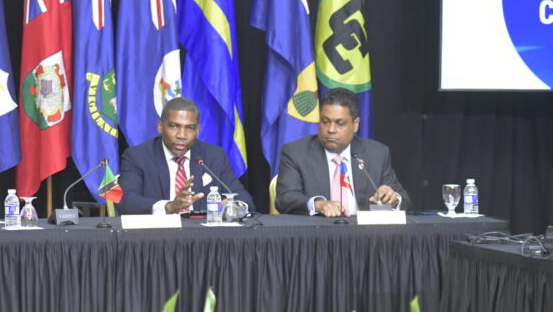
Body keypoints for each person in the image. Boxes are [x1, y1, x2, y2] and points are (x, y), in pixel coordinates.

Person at [275, 87, 410, 216]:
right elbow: (285, 198)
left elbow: (403, 199)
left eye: (340, 123)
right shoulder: (296, 153)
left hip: (365, 230)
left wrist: (392, 198)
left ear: (355, 125)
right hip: (318, 230)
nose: (331, 129)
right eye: (325, 121)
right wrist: (318, 205)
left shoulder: (377, 154)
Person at [118, 97, 254, 215]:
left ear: (198, 130)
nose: (182, 135)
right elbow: (125, 200)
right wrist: (169, 207)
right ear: (160, 126)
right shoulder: (138, 156)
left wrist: (231, 206)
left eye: (190, 128)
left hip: (203, 233)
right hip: (157, 233)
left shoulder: (214, 156)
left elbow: (243, 198)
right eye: (174, 126)